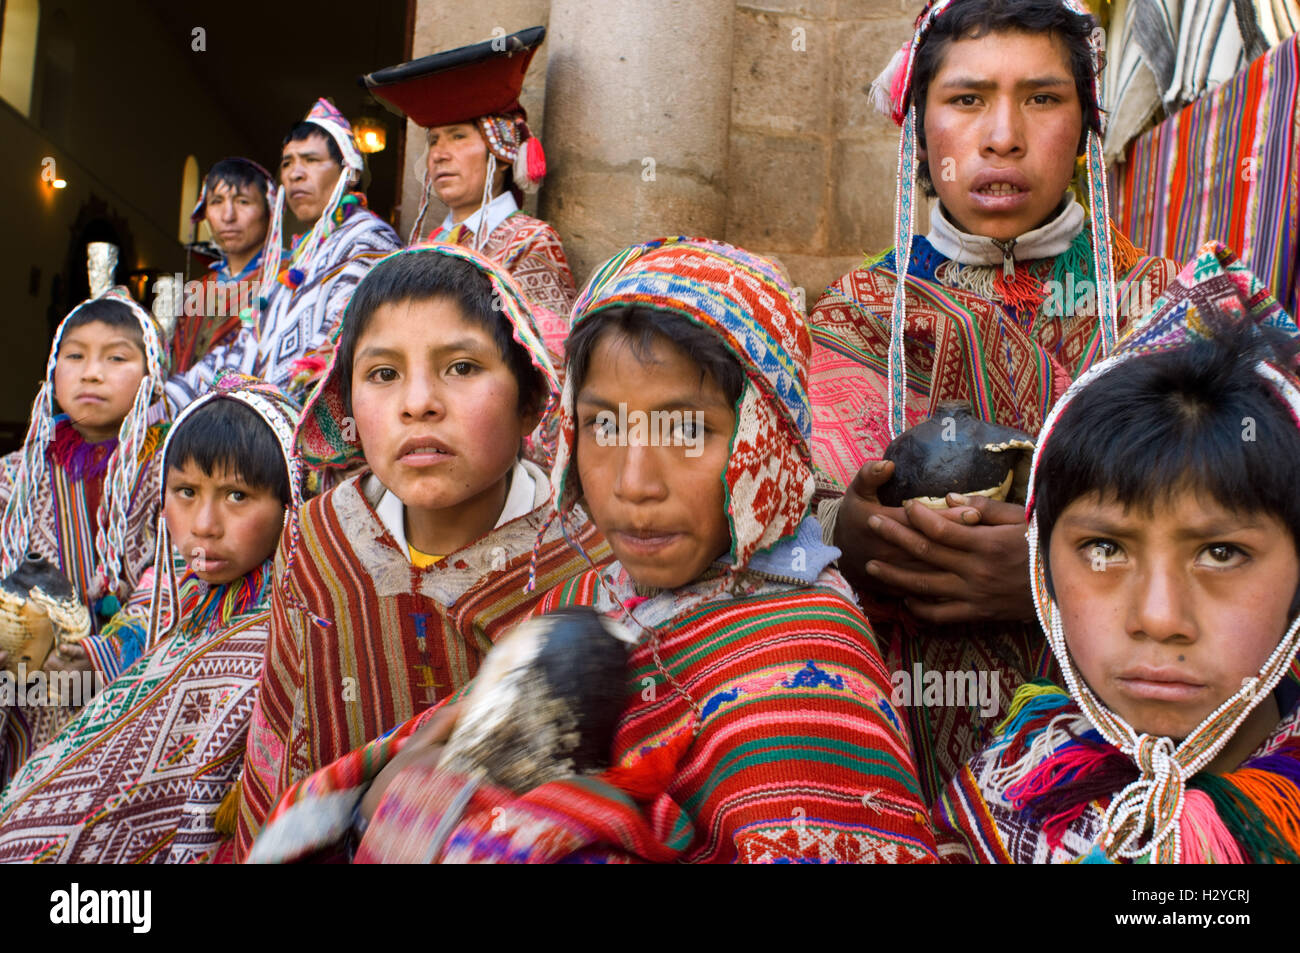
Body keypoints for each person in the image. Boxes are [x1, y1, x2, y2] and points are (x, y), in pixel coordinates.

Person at [248, 238, 937, 865]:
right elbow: (411, 767)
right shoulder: (590, 598)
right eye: (604, 423)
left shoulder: (806, 678)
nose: (634, 483)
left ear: (764, 438)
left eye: (687, 428)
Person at [808, 0, 1180, 802]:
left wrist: (1067, 572)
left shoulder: (1165, 312)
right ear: (918, 125)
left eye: (1043, 98)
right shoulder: (858, 314)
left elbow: (1249, 526)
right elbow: (768, 520)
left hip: (1123, 775)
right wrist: (845, 533)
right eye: (967, 99)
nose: (1003, 134)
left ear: (1086, 124)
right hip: (894, 765)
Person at [232, 242, 607, 859]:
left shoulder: (582, 565)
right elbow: (279, 736)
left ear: (531, 400)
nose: (418, 402)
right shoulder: (319, 538)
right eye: (383, 374)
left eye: (461, 367)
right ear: (347, 405)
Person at [934, 244, 1300, 863]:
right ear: (1043, 573)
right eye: (1104, 548)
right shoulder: (1013, 786)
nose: (1158, 618)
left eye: (1220, 552)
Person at [0, 375, 302, 863]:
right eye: (185, 491)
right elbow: (139, 625)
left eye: (237, 496)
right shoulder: (177, 584)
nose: (204, 524)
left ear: (291, 503)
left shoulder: (294, 624)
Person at [0, 269, 172, 782]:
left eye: (116, 357)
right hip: (28, 704)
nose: (91, 372)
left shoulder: (173, 474)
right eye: (74, 356)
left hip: (129, 696)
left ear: (152, 374)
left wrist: (106, 653)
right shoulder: (14, 477)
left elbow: (177, 573)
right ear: (52, 372)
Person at [166, 99, 402, 408]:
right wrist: (168, 397)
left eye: (311, 160)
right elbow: (246, 349)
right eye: (288, 162)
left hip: (308, 429)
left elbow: (336, 344)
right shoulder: (300, 258)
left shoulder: (368, 240)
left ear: (349, 170)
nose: (294, 174)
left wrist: (266, 413)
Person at [364, 26, 577, 361]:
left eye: (458, 137)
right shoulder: (426, 246)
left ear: (503, 154)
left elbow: (553, 361)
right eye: (434, 140)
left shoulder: (531, 242)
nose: (439, 154)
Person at [171, 158, 278, 374]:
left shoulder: (283, 280)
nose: (228, 216)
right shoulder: (196, 291)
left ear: (270, 211)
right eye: (217, 201)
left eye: (243, 202)